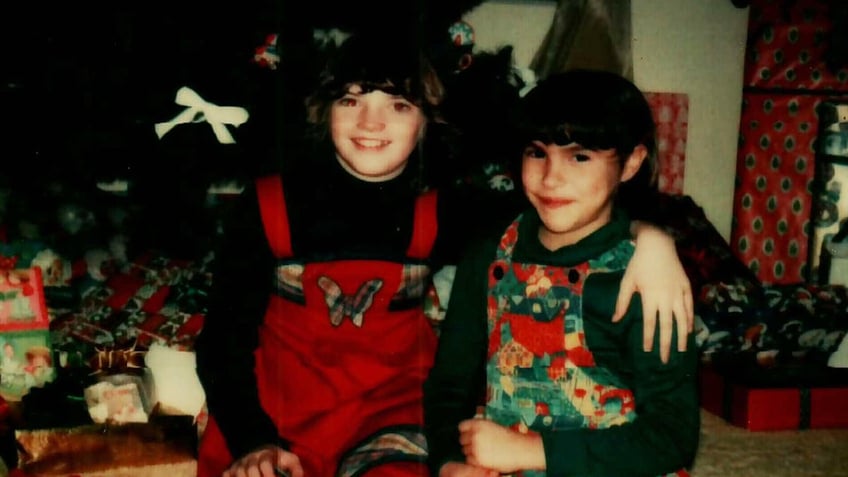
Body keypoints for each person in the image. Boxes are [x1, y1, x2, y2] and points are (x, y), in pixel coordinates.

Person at [194, 32, 693, 477]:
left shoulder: (450, 210)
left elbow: (572, 207)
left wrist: (654, 238)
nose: (371, 122)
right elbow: (223, 344)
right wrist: (251, 440)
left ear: (426, 121)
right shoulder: (265, 206)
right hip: (277, 417)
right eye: (351, 100)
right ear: (324, 110)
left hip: (385, 417)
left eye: (399, 104)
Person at [423, 70, 700, 477]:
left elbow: (673, 437)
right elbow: (449, 385)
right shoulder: (488, 253)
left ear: (631, 163)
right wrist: (448, 461)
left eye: (580, 156)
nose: (551, 178)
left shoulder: (647, 279)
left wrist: (532, 452)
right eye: (537, 152)